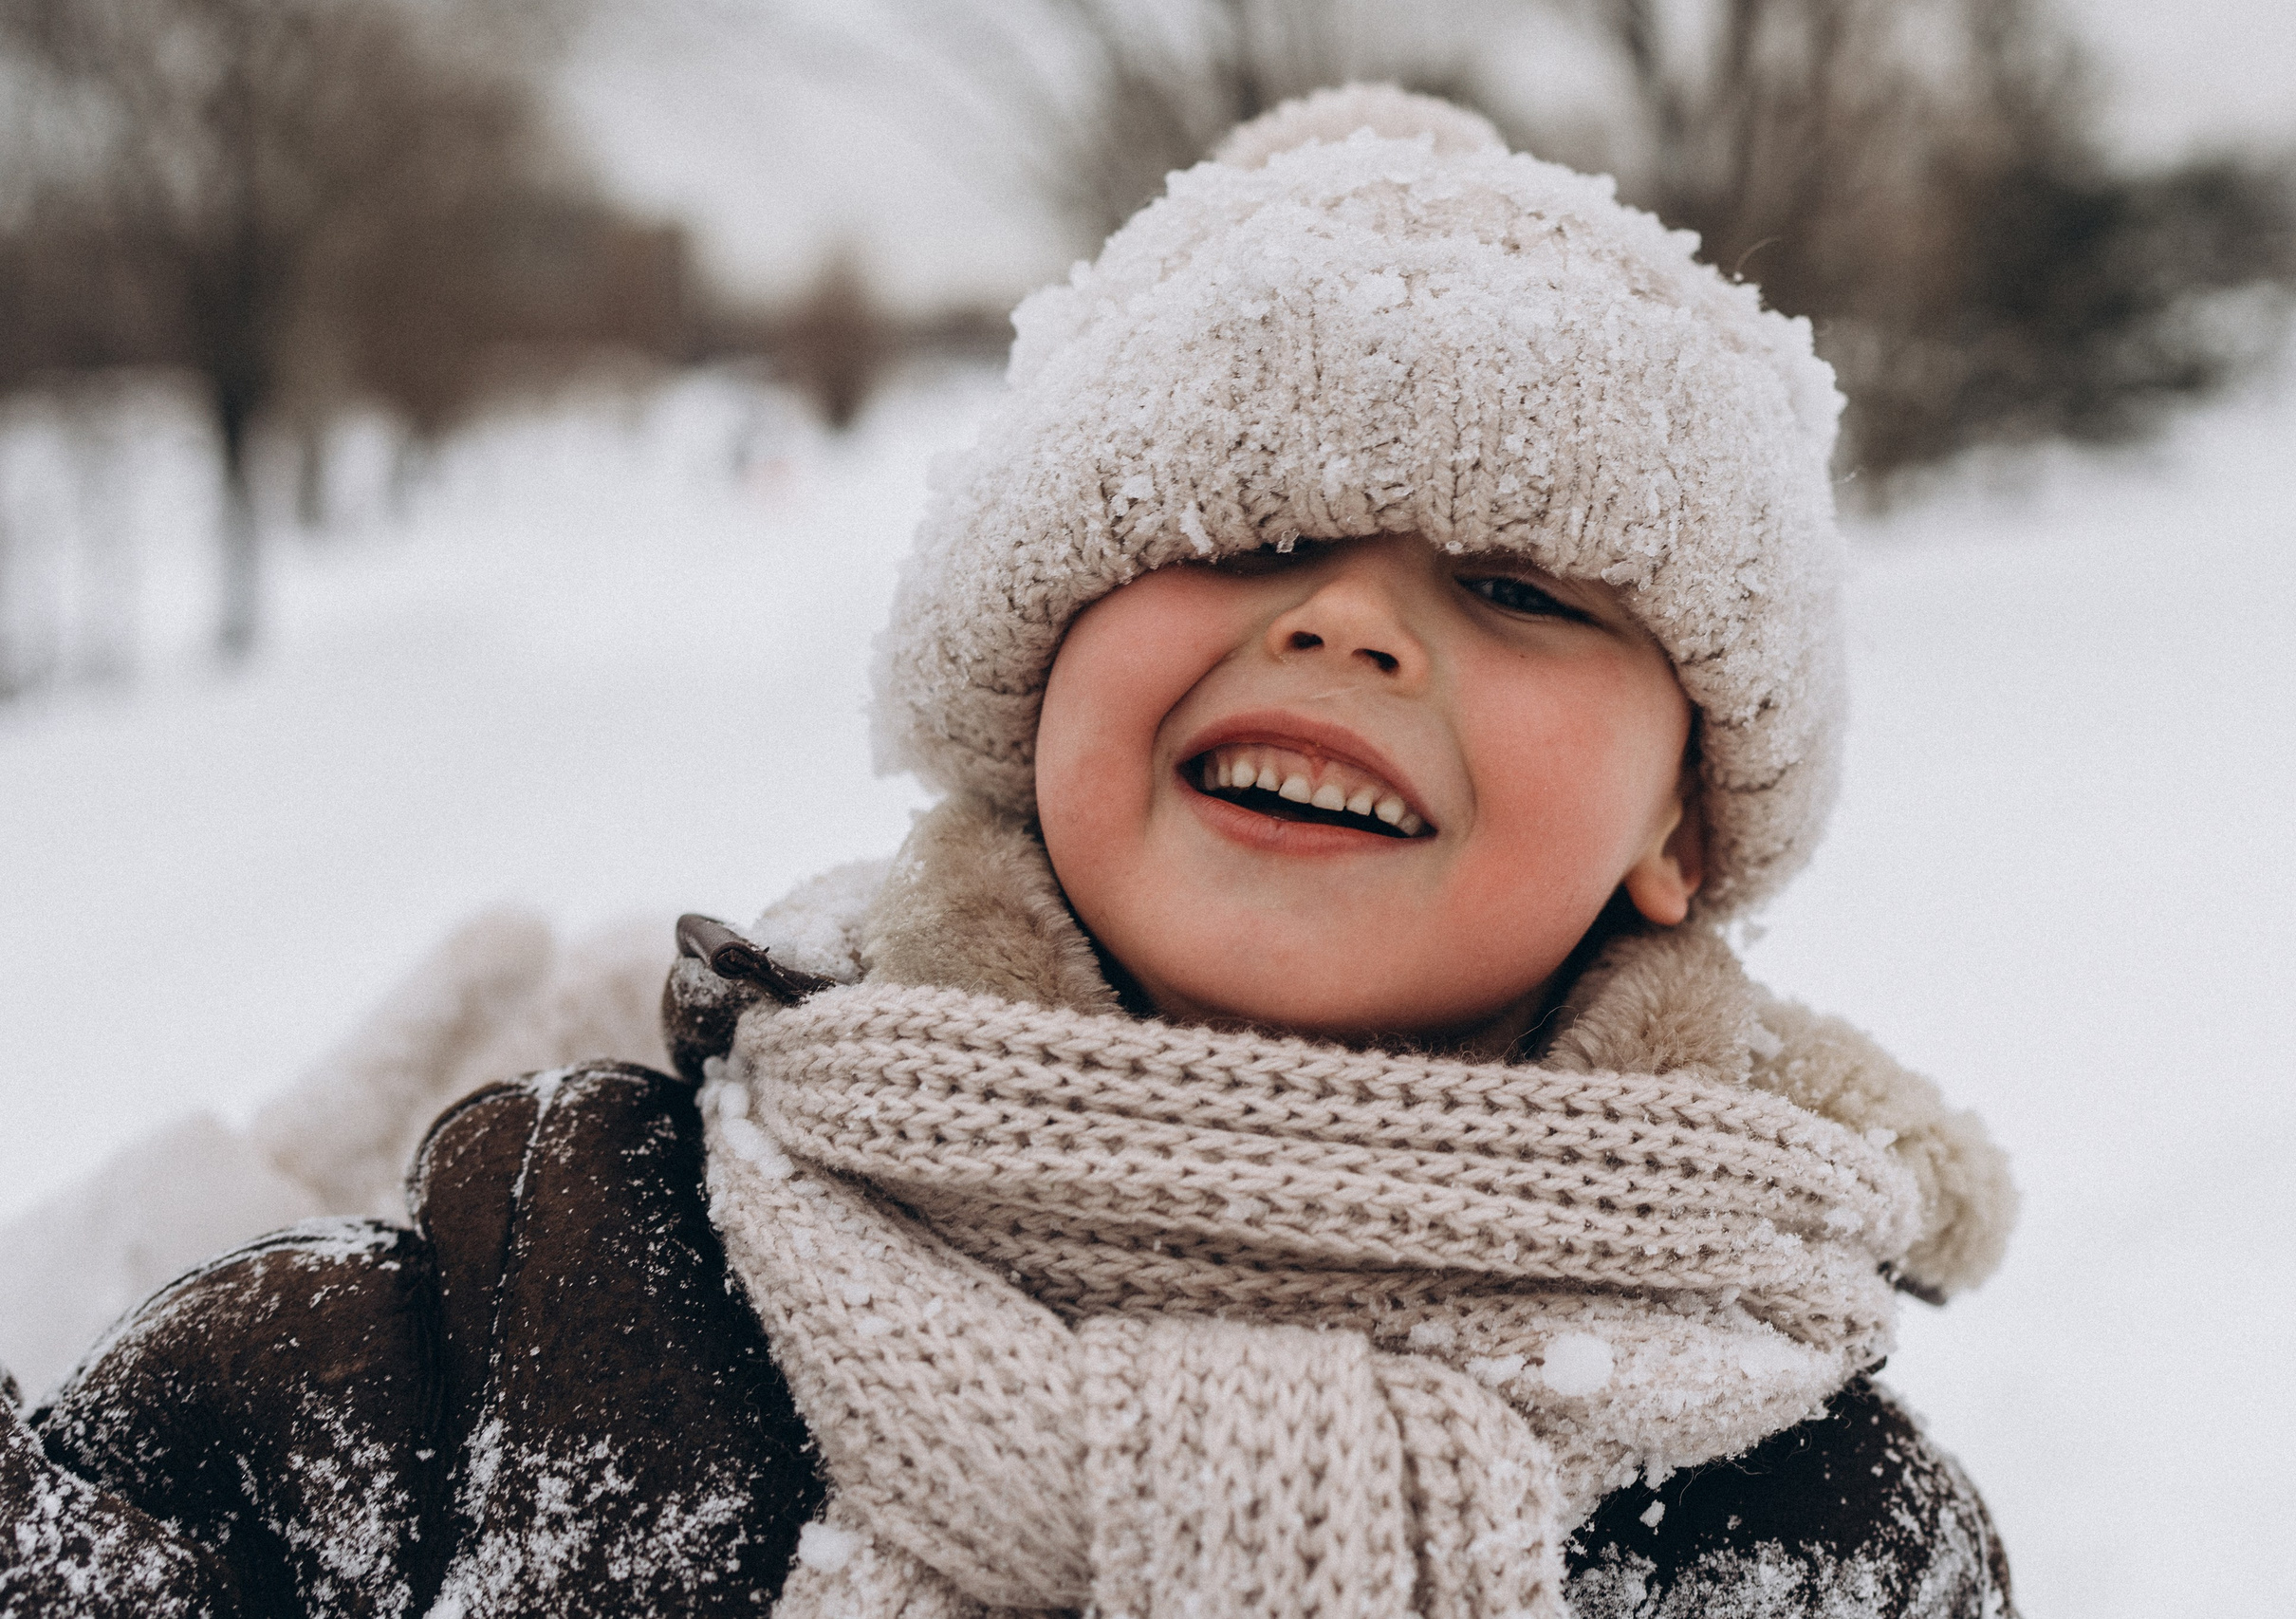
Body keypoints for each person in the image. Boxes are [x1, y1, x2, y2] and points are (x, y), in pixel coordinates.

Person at [0, 86, 2019, 1618]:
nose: (1345, 627)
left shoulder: (1800, 1518)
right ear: (1028, 667)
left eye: (1515, 584)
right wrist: (120, 1269)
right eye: (1241, 533)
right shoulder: (563, 1299)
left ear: (1681, 824)